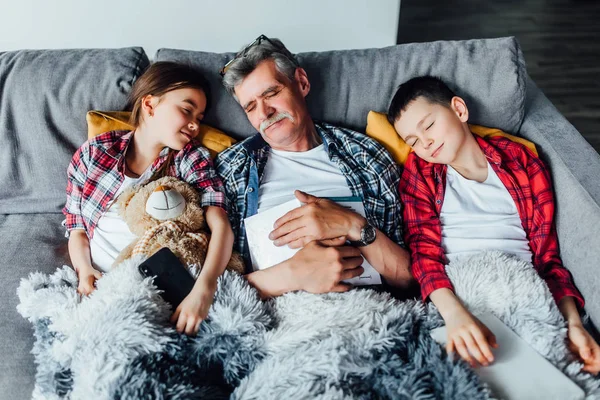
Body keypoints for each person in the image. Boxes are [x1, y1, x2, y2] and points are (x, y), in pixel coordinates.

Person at [389, 75, 600, 374]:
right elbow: (424, 257)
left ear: (459, 110)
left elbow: (548, 260)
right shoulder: (420, 174)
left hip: (522, 290)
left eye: (429, 125)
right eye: (413, 141)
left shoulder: (521, 163)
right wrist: (455, 315)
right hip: (457, 296)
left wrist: (574, 325)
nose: (425, 143)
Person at [215, 35, 414, 299]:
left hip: (368, 311)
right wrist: (293, 274)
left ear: (301, 82)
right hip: (275, 321)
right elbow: (207, 293)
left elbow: (410, 280)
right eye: (250, 107)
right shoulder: (230, 170)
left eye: (271, 93)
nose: (264, 113)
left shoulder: (366, 156)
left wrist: (351, 223)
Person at [63, 62, 234, 336]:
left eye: (199, 118)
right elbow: (77, 229)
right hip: (102, 285)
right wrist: (84, 271)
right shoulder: (95, 153)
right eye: (186, 110)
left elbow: (221, 225)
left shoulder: (190, 158)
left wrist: (204, 288)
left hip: (161, 284)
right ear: (150, 105)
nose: (193, 124)